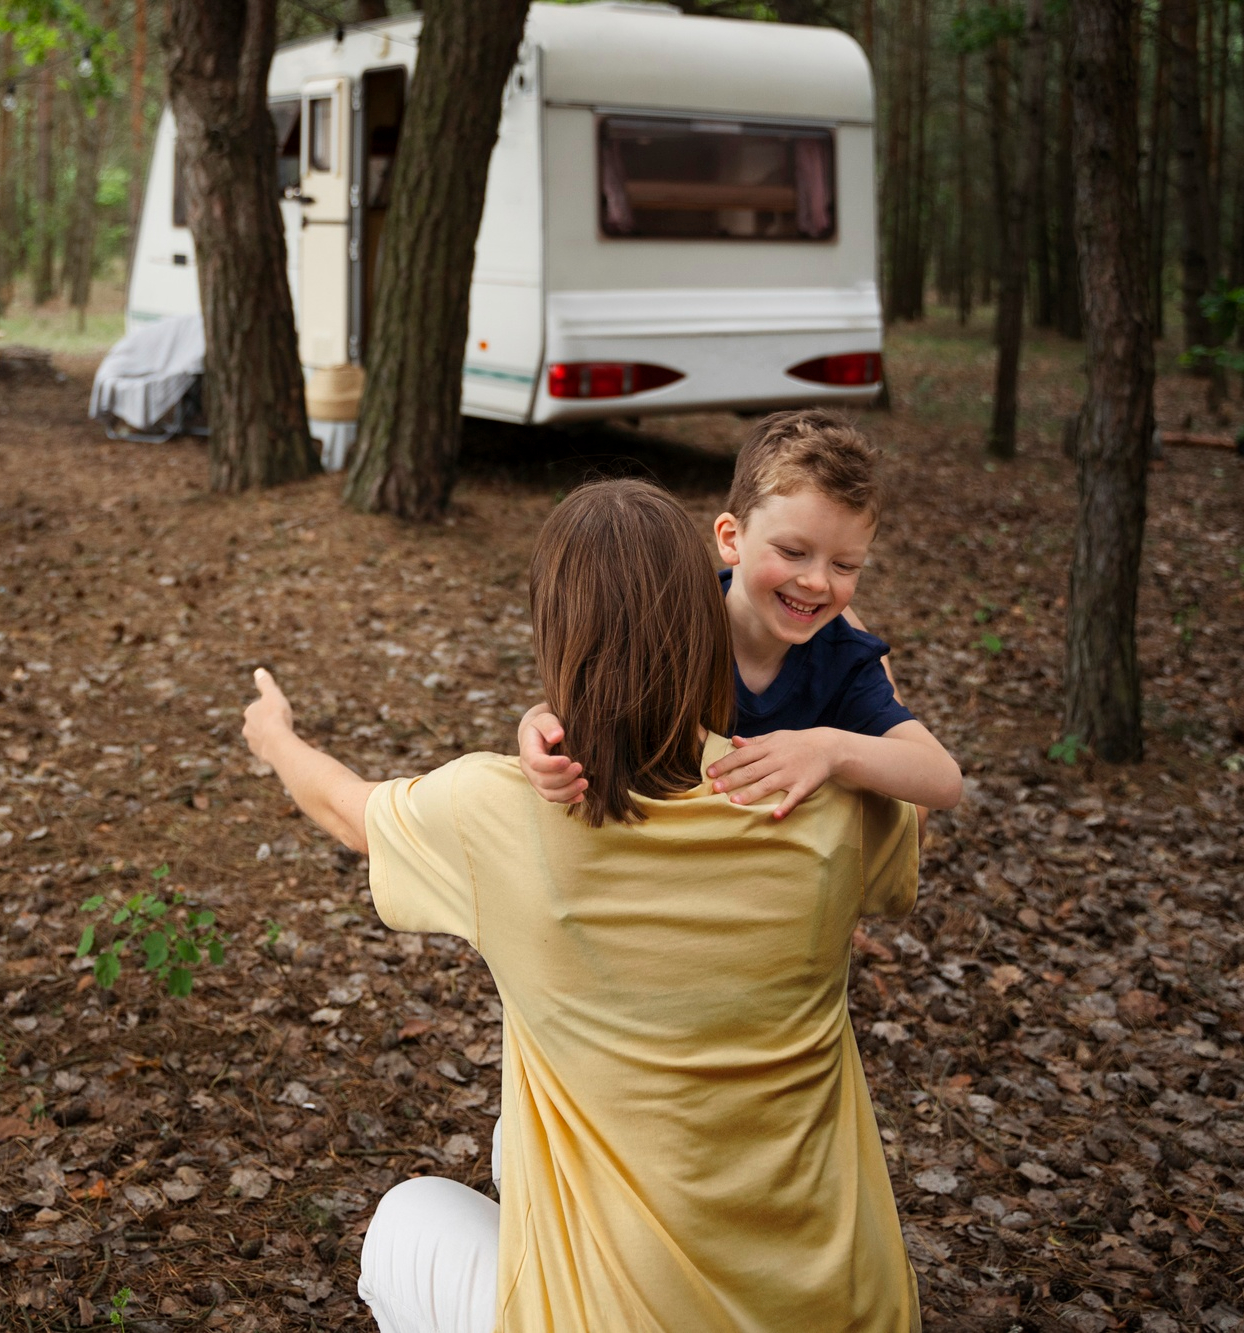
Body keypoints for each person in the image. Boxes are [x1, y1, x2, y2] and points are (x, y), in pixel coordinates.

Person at [243, 479, 923, 1331]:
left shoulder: (501, 814)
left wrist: (274, 736)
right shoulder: (826, 804)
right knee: (510, 1142)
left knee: (404, 1221)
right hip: (845, 1309)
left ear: (556, 640)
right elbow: (910, 796)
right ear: (708, 616)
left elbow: (352, 814)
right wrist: (844, 660)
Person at [520, 408, 963, 821]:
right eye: (793, 552)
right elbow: (602, 694)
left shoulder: (842, 659)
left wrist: (831, 749)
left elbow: (942, 779)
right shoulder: (679, 616)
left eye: (844, 565)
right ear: (731, 538)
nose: (817, 582)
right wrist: (536, 727)